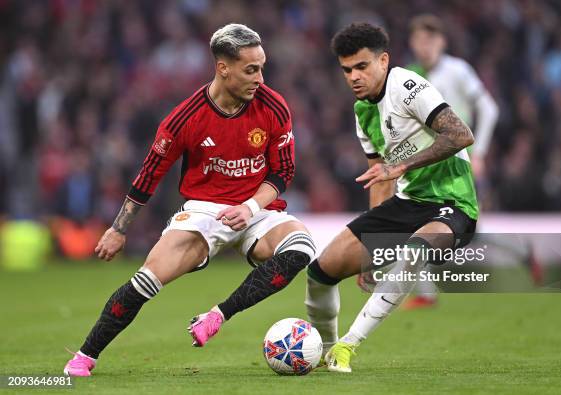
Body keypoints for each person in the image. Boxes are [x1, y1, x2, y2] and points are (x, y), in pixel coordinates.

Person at [63, 24, 316, 377]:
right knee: (148, 279)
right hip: (204, 210)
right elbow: (148, 175)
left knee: (302, 248)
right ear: (223, 68)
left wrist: (250, 207)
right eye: (250, 69)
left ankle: (218, 315)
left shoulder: (273, 106)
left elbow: (282, 172)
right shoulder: (184, 118)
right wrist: (118, 229)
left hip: (256, 208)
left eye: (262, 67)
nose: (260, 78)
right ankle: (85, 356)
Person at [304, 22, 478, 373]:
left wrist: (403, 166)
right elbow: (378, 179)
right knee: (320, 272)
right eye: (347, 70)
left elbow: (461, 134)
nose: (353, 76)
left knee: (414, 252)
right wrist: (374, 249)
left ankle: (348, 346)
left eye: (362, 66)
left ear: (383, 60)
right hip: (407, 204)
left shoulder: (408, 86)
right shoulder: (362, 111)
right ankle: (324, 350)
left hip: (453, 204)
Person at [401, 14, 500, 309]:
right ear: (412, 43)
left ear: (442, 42)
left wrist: (479, 152)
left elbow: (489, 108)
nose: (425, 45)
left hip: (459, 161)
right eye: (420, 39)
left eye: (431, 39)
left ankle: (522, 251)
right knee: (426, 223)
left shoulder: (457, 70)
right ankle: (426, 293)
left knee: (463, 231)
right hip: (431, 163)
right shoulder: (412, 75)